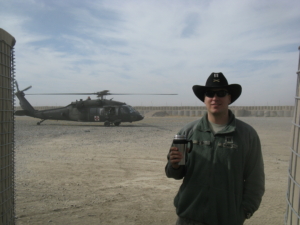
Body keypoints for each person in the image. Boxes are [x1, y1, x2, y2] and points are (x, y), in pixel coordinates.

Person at [165, 72, 265, 225]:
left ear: (229, 98)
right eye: (210, 93)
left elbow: (255, 180)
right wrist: (175, 165)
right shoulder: (186, 132)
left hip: (227, 220)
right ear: (204, 99)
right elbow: (174, 174)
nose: (215, 98)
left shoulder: (247, 135)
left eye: (221, 93)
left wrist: (244, 212)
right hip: (188, 218)